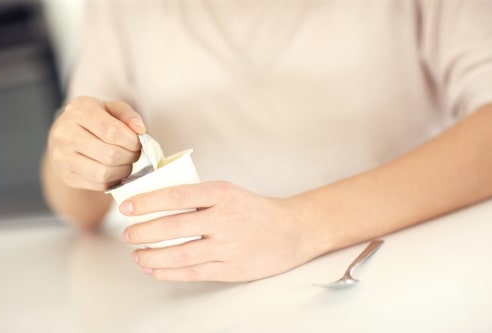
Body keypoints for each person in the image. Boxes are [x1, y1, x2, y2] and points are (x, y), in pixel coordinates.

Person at [41, 0, 492, 282]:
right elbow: (77, 207)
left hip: (412, 274)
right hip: (213, 303)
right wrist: (80, 150)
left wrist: (300, 227)